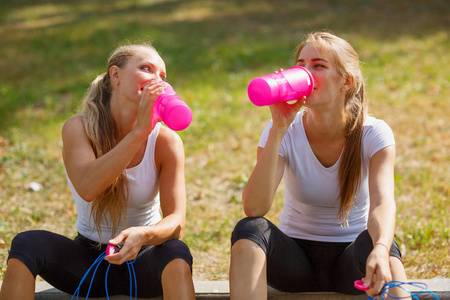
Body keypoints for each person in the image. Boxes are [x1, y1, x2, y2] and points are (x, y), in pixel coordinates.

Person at [0, 43, 195, 300]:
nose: (156, 80)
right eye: (146, 69)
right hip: (88, 261)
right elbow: (88, 187)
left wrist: (143, 235)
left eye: (162, 75)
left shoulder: (166, 142)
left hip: (143, 256)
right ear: (116, 75)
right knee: (27, 243)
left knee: (176, 252)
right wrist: (139, 133)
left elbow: (176, 222)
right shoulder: (78, 129)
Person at [229, 32, 410, 300]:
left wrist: (381, 248)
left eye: (318, 65)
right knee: (249, 229)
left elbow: (383, 204)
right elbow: (255, 208)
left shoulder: (374, 133)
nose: (306, 73)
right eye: (301, 65)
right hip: (295, 264)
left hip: (349, 262)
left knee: (381, 244)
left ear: (345, 81)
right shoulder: (282, 130)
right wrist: (279, 128)